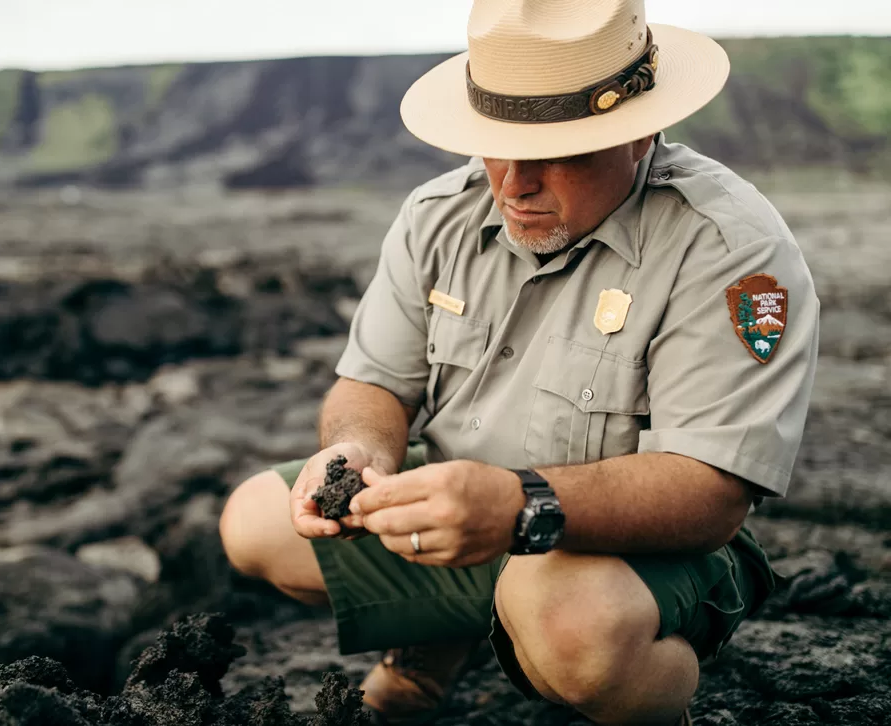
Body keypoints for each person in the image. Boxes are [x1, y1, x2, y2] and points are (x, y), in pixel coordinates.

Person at [219, 0, 820, 724]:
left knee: (572, 624)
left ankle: (654, 705)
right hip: (465, 514)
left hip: (642, 552)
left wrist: (514, 507)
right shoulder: (439, 213)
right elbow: (375, 381)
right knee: (256, 522)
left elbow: (710, 495)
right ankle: (438, 642)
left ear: (641, 134)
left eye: (555, 151)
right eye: (495, 144)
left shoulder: (728, 247)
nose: (512, 184)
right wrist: (356, 452)